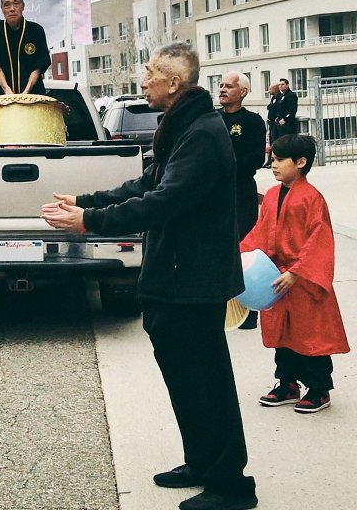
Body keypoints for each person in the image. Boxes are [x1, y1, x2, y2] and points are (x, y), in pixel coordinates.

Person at [42, 43, 256, 510]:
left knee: (206, 381)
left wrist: (89, 222)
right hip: (174, 277)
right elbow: (147, 183)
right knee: (184, 378)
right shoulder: (183, 126)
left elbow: (166, 200)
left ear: (174, 82)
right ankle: (202, 462)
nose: (143, 80)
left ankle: (231, 484)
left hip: (193, 280)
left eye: (150, 73)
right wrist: (87, 201)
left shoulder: (203, 133)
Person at [241, 134, 349, 414]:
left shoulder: (312, 198)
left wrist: (297, 272)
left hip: (302, 280)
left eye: (279, 160)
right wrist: (241, 256)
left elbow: (319, 240)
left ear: (300, 162)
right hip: (275, 277)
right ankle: (287, 383)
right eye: (272, 159)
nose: (273, 165)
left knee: (310, 336)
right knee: (282, 335)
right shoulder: (272, 195)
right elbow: (260, 233)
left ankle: (319, 389)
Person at [218, 71, 266, 330]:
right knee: (217, 250)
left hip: (241, 192)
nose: (222, 89)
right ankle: (220, 310)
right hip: (214, 194)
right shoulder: (211, 120)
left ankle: (247, 312)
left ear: (243, 92)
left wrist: (223, 166)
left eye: (228, 86)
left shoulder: (253, 122)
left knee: (244, 247)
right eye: (221, 85)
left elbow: (255, 159)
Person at [0, 0, 51, 96]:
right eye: (7, 5)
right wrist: (7, 90)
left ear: (23, 6)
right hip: (2, 95)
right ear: (2, 9)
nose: (12, 9)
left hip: (33, 94)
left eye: (16, 4)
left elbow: (38, 66)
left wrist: (26, 92)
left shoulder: (36, 31)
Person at [263, 84, 280, 168]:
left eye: (270, 89)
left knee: (275, 141)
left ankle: (273, 159)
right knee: (271, 141)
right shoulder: (273, 98)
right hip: (271, 123)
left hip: (275, 124)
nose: (269, 91)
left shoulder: (279, 98)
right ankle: (269, 159)